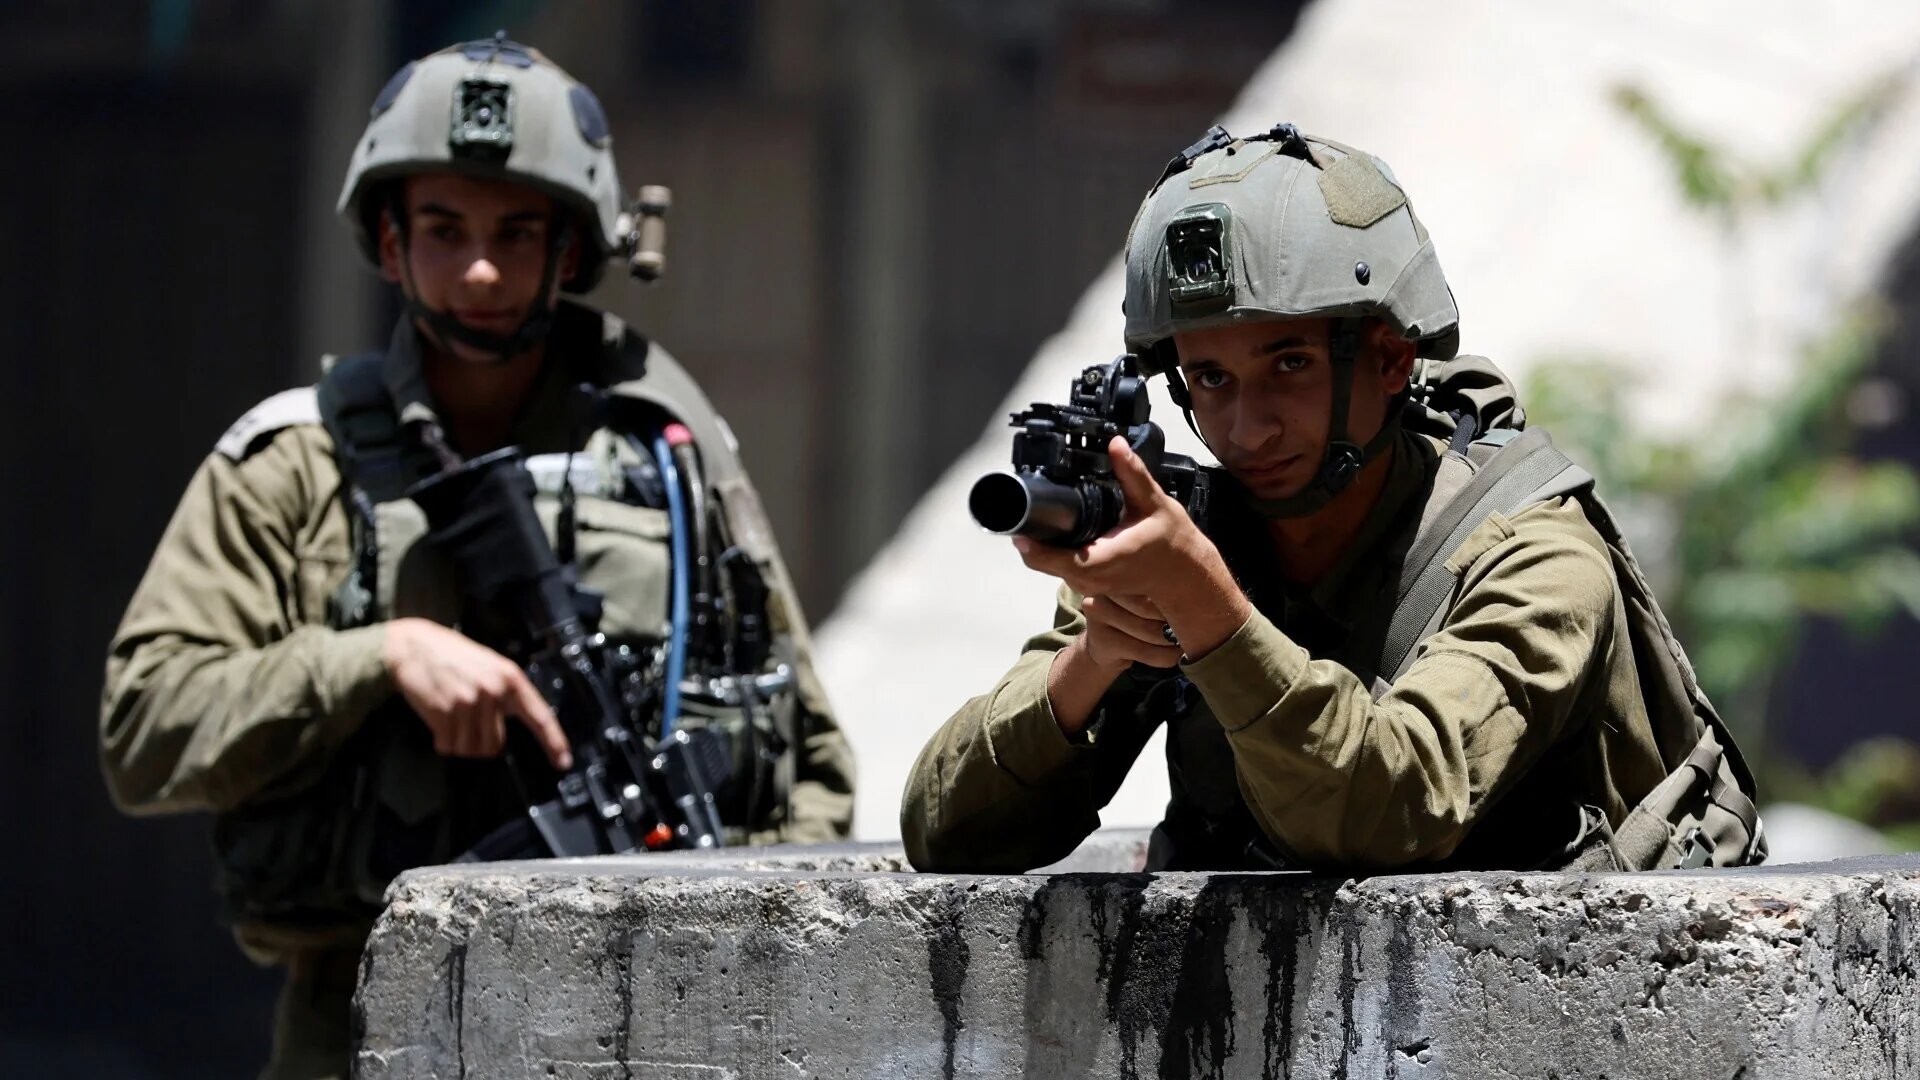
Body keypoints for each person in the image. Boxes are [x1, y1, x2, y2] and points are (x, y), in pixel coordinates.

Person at [100, 37, 854, 1079]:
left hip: (647, 1023)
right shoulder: (292, 463)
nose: (482, 271)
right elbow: (143, 726)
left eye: (515, 233)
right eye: (445, 231)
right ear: (389, 241)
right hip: (362, 1023)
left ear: (575, 252)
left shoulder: (670, 456)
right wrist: (377, 658)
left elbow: (810, 765)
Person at [902, 124, 1761, 876]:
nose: (1247, 428)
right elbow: (946, 830)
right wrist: (1090, 664)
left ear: (1390, 361)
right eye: (1210, 378)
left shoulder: (1535, 555)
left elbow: (1391, 809)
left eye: (1290, 366)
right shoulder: (1188, 538)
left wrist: (1211, 618)